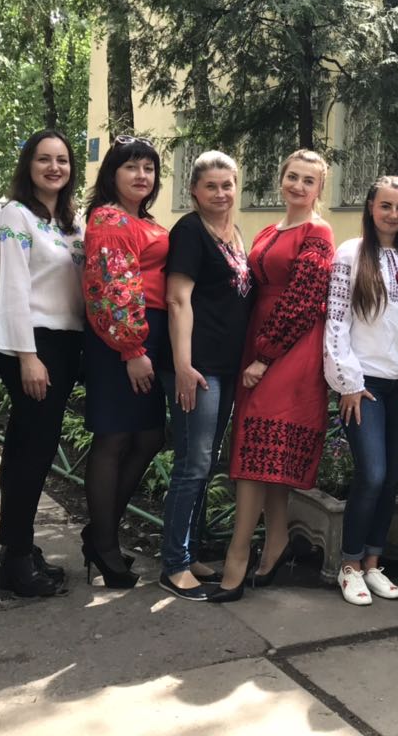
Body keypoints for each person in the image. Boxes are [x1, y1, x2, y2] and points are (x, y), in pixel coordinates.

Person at [208, 150, 334, 603]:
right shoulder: (268, 231)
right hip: (257, 342)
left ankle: (237, 556)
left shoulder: (318, 232)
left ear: (320, 188)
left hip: (290, 347)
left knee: (254, 451)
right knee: (266, 453)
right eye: (292, 177)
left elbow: (304, 299)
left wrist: (265, 355)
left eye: (308, 180)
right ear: (281, 179)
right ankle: (276, 542)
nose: (298, 186)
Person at [323, 176, 398, 606]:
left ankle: (373, 562)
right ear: (370, 207)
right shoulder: (351, 253)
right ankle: (349, 565)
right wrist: (347, 382)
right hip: (364, 385)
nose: (393, 214)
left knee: (390, 481)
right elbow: (336, 321)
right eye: (386, 205)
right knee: (373, 474)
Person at [0, 130, 85, 597]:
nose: (54, 167)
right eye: (44, 159)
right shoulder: (15, 217)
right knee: (29, 449)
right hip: (34, 345)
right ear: (28, 165)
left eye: (62, 160)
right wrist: (27, 356)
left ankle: (22, 547)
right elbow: (10, 289)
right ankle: (15, 559)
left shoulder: (69, 222)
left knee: (39, 447)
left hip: (66, 344)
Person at [158, 151, 254, 601]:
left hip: (226, 366)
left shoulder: (234, 233)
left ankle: (189, 551)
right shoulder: (190, 231)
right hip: (197, 368)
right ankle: (174, 565)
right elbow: (178, 300)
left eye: (227, 184)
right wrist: (183, 365)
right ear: (194, 191)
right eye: (211, 186)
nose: (220, 193)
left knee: (205, 462)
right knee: (192, 464)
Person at [80, 135, 169, 589]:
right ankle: (105, 545)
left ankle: (100, 535)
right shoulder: (110, 219)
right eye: (131, 167)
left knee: (149, 435)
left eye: (149, 168)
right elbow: (110, 287)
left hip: (146, 338)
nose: (141, 175)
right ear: (112, 173)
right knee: (114, 438)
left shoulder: (143, 220)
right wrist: (132, 349)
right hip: (121, 340)